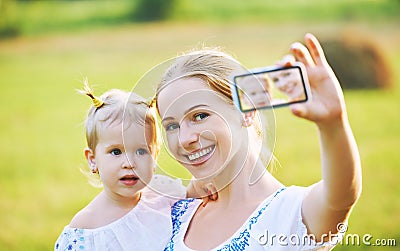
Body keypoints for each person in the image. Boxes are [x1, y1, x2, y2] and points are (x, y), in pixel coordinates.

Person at [154, 33, 362, 250]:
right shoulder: (177, 211)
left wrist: (333, 126)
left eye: (200, 116)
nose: (184, 139)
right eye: (172, 126)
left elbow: (340, 196)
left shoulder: (291, 214)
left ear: (247, 110)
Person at [54, 82, 213, 250]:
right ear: (93, 160)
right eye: (116, 152)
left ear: (154, 156)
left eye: (141, 151)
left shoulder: (162, 194)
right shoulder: (86, 229)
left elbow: (189, 200)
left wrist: (201, 184)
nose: (129, 163)